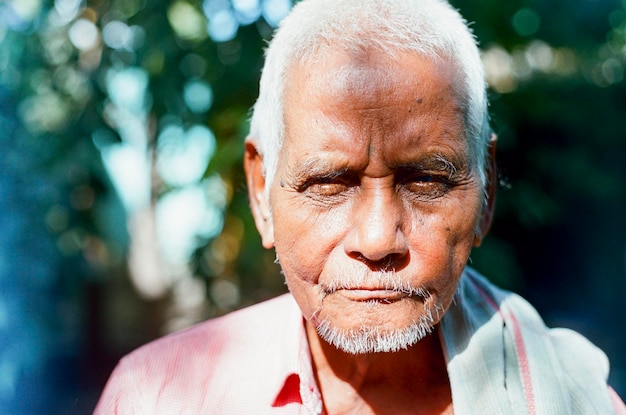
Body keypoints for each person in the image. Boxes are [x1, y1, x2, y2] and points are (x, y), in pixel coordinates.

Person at [94, 0, 626, 413]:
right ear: (261, 191)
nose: (377, 241)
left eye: (426, 182)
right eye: (329, 183)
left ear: (485, 191)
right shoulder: (157, 398)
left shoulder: (571, 395)